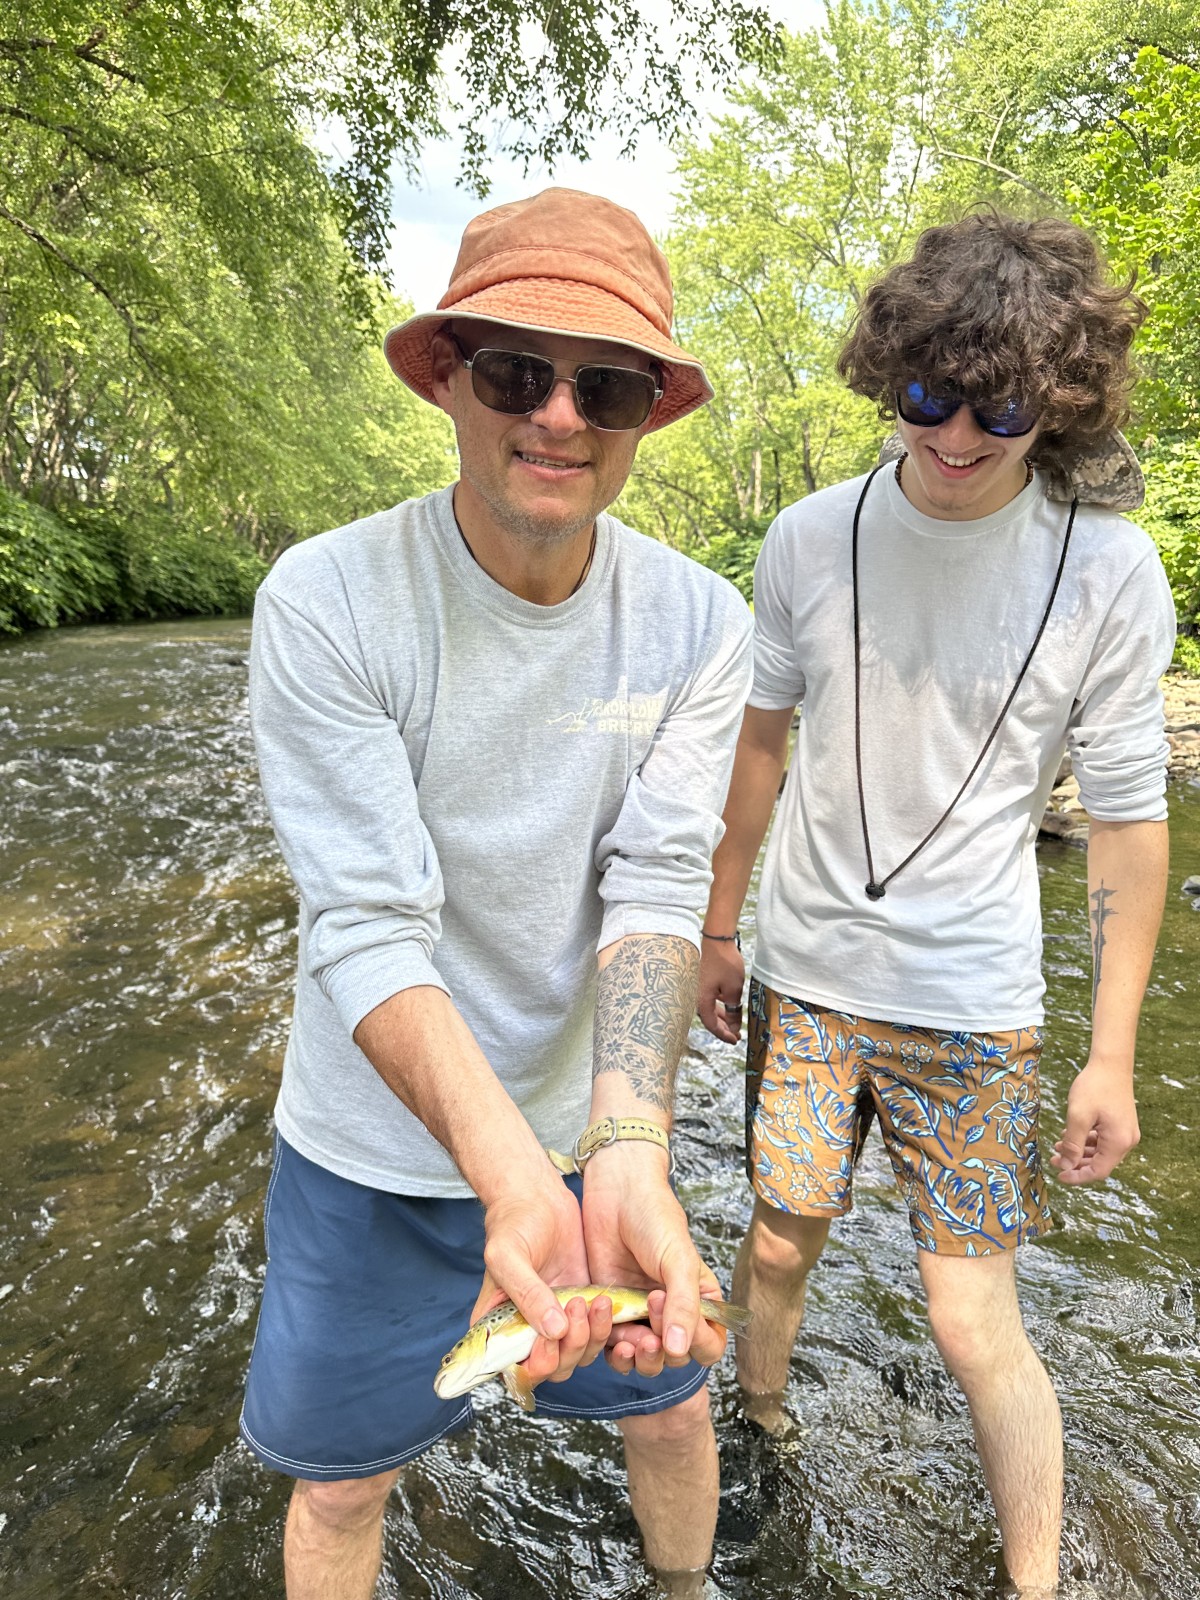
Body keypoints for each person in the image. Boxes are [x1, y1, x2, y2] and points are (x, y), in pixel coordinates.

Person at [240, 186, 753, 1598]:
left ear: (649, 412)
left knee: (674, 1402)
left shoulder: (706, 625)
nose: (562, 418)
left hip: (587, 1130)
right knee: (342, 1483)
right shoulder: (329, 600)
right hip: (364, 1153)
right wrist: (507, 1172)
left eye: (610, 385)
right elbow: (365, 921)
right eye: (520, 373)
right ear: (449, 378)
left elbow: (656, 884)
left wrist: (628, 1149)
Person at [697, 212, 1175, 1597]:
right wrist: (723, 929)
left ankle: (1037, 1583)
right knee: (781, 1237)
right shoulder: (806, 536)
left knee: (975, 1323)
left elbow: (1132, 829)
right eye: (927, 397)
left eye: (1001, 406)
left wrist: (1110, 1055)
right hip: (805, 975)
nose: (957, 436)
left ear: (1060, 406)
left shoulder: (1106, 571)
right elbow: (758, 746)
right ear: (886, 375)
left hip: (973, 1008)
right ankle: (765, 1425)